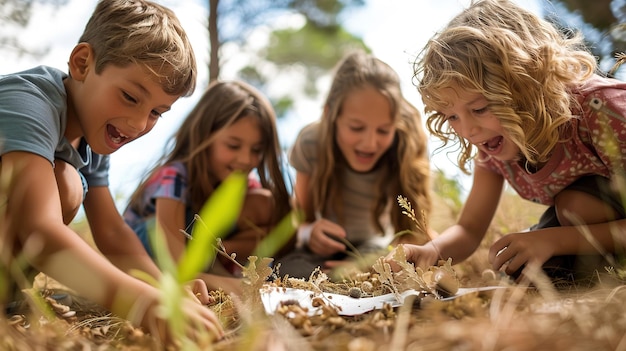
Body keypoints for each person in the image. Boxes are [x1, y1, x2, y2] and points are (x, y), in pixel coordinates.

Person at [0, 0, 223, 342]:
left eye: (156, 112)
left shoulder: (91, 132)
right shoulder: (28, 103)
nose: (137, 125)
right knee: (65, 185)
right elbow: (38, 231)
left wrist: (165, 288)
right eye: (131, 97)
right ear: (82, 63)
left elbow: (114, 234)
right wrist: (142, 302)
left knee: (68, 182)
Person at [390, 0, 626, 283]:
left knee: (575, 209)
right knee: (525, 269)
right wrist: (431, 250)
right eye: (451, 116)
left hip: (595, 216)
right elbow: (469, 228)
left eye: (479, 109)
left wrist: (557, 239)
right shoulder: (493, 145)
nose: (468, 130)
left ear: (529, 82)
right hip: (595, 227)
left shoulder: (600, 110)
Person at [276, 50, 434, 279]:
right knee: (285, 273)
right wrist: (310, 233)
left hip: (376, 248)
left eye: (383, 130)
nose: (370, 143)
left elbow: (414, 232)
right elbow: (301, 219)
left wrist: (363, 266)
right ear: (332, 115)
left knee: (385, 273)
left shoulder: (405, 144)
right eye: (356, 128)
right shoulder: (311, 142)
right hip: (321, 253)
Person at [123, 80, 292, 283]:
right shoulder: (174, 177)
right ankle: (214, 273)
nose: (246, 159)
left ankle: (217, 259)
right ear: (204, 136)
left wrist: (228, 249)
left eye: (256, 150)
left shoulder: (240, 185)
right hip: (148, 256)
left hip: (201, 250)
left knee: (266, 203)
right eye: (233, 145)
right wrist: (228, 285)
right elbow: (175, 264)